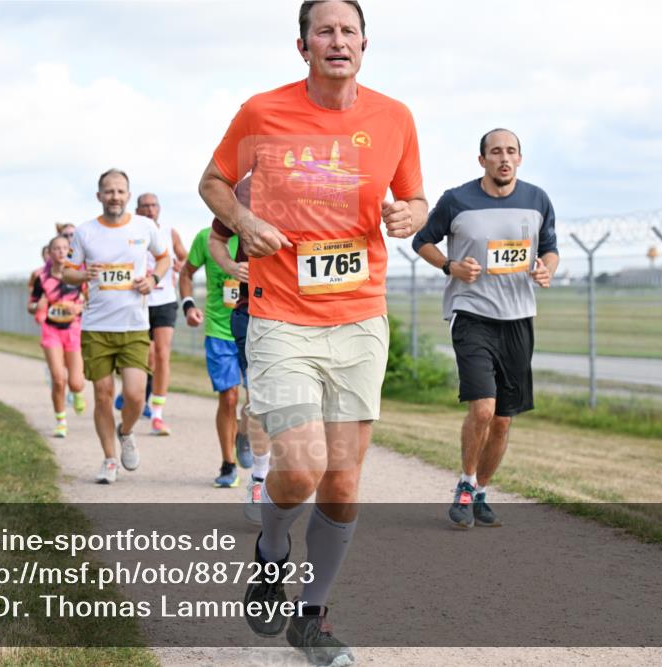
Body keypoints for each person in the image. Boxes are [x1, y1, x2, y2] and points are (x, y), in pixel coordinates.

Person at [197, 1, 427, 663]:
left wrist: (410, 215)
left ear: (364, 45)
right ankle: (271, 551)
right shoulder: (262, 112)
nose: (337, 40)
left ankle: (312, 616)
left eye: (349, 30)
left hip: (360, 319)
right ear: (302, 47)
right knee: (299, 468)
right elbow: (212, 183)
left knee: (344, 482)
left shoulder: (395, 117)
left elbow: (415, 196)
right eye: (324, 30)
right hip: (281, 316)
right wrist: (245, 221)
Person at [412, 128, 558, 529]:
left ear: (520, 158)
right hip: (472, 314)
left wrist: (546, 269)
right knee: (483, 408)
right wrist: (450, 266)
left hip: (518, 319)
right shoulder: (457, 200)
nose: (504, 158)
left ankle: (480, 491)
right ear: (482, 160)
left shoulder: (537, 199)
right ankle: (464, 483)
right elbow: (422, 241)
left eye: (511, 151)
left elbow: (550, 249)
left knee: (503, 420)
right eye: (495, 152)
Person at [62, 169, 170, 485]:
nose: (115, 197)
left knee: (135, 396)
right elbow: (66, 272)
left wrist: (153, 278)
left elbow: (164, 259)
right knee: (103, 395)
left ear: (128, 195)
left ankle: (126, 431)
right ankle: (110, 459)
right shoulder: (85, 232)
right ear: (99, 196)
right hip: (96, 326)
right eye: (109, 191)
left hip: (134, 325)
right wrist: (83, 275)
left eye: (120, 191)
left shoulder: (144, 227)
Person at [208, 178, 272, 523]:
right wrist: (232, 267)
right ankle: (260, 478)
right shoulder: (245, 189)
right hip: (254, 311)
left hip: (307, 314)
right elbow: (216, 239)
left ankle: (247, 435)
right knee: (261, 398)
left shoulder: (321, 180)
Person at [180, 227, 245, 489]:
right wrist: (188, 306)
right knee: (229, 397)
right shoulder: (206, 237)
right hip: (219, 330)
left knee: (259, 402)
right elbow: (186, 273)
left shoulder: (258, 234)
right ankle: (228, 464)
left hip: (257, 328)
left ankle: (246, 432)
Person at [135, 192, 189, 435]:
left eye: (153, 205)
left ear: (159, 208)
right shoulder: (133, 233)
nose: (149, 209)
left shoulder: (170, 232)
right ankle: (134, 395)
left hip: (165, 300)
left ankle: (157, 415)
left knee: (162, 354)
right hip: (139, 301)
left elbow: (185, 258)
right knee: (147, 357)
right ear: (137, 210)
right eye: (145, 206)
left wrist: (180, 266)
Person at [29, 235, 88, 437]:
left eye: (65, 248)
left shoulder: (78, 276)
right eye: (57, 248)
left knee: (76, 382)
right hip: (51, 331)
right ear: (50, 253)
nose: (61, 251)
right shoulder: (42, 278)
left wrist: (80, 307)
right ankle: (61, 421)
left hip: (73, 330)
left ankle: (78, 392)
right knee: (58, 378)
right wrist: (38, 306)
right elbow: (30, 305)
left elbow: (91, 301)